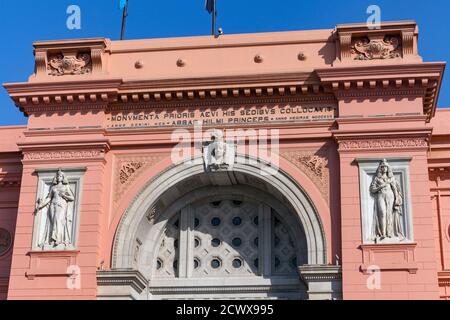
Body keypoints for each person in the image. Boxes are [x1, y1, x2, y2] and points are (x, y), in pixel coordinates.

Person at [35, 169, 75, 249]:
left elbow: (72, 198)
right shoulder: (53, 187)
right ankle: (52, 240)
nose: (58, 177)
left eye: (60, 176)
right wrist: (41, 205)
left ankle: (58, 239)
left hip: (61, 204)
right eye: (57, 176)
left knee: (58, 220)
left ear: (63, 177)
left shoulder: (66, 186)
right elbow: (49, 198)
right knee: (52, 221)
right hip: (53, 205)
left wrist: (64, 195)